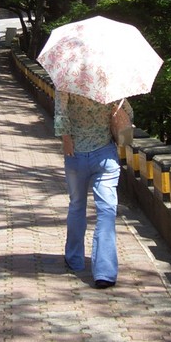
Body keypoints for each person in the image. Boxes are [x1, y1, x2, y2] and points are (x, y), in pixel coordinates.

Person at [55, 91, 130, 289]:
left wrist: (66, 140)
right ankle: (104, 272)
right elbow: (127, 117)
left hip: (75, 154)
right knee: (106, 211)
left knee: (77, 205)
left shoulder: (66, 78)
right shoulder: (110, 82)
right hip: (105, 155)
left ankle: (74, 259)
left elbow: (60, 115)